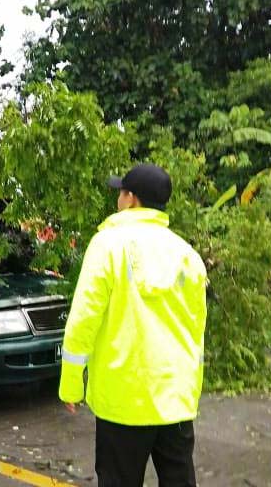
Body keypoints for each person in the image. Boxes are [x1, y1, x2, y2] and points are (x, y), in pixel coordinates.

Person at [58, 164, 207, 487]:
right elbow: (196, 330)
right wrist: (188, 391)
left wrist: (71, 383)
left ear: (132, 199)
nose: (118, 199)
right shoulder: (187, 254)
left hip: (123, 402)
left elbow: (84, 318)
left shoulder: (108, 245)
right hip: (175, 399)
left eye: (121, 192)